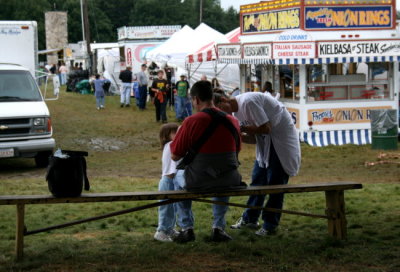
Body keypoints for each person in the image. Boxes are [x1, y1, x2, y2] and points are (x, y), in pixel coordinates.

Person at [214, 92, 301, 236]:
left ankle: (270, 225)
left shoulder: (248, 102)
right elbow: (255, 139)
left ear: (224, 100)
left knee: (275, 185)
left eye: (220, 109)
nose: (221, 114)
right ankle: (250, 218)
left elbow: (266, 128)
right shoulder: (236, 114)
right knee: (258, 182)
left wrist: (240, 129)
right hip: (265, 146)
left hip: (280, 143)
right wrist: (238, 137)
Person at [170, 80, 242, 243]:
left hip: (198, 180)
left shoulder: (192, 121)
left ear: (195, 99)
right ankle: (218, 228)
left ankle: (186, 228)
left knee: (176, 179)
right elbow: (237, 151)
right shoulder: (233, 121)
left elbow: (175, 155)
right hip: (229, 179)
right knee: (221, 182)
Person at [154, 123, 182, 242]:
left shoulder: (171, 145)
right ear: (167, 135)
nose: (179, 134)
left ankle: (169, 229)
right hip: (167, 181)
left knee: (173, 208)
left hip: (172, 181)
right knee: (166, 207)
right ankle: (161, 231)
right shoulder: (171, 145)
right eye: (176, 132)